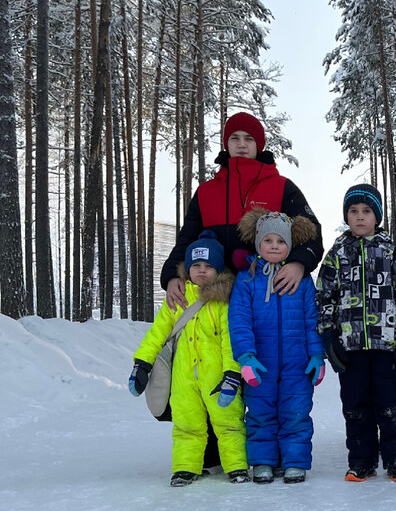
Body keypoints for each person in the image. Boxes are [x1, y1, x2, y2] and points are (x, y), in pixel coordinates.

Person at [160, 111, 324, 309]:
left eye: (249, 139)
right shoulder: (206, 192)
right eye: (234, 138)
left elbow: (311, 232)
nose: (242, 144)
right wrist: (172, 275)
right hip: (216, 302)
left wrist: (299, 264)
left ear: (258, 145)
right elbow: (187, 240)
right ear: (226, 144)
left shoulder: (282, 187)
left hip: (269, 297)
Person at [316, 183, 396, 483]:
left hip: (387, 345)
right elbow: (324, 296)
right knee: (355, 407)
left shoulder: (390, 251)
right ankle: (361, 461)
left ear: (377, 217)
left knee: (390, 406)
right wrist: (328, 337)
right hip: (350, 347)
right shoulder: (337, 253)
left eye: (367, 211)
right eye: (353, 211)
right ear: (346, 216)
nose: (360, 217)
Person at [129, 231, 248, 487]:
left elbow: (231, 341)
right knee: (186, 424)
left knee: (228, 421)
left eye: (208, 266)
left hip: (216, 377)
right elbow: (157, 334)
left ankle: (236, 465)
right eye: (196, 265)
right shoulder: (177, 299)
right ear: (187, 268)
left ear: (218, 269)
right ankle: (185, 467)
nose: (202, 271)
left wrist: (232, 373)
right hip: (184, 379)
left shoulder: (223, 303)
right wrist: (142, 363)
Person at [228, 210, 325, 485]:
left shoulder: (303, 281)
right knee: (260, 413)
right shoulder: (246, 280)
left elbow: (312, 320)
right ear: (258, 244)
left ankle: (294, 461)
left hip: (297, 363)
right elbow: (239, 319)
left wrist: (317, 354)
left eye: (280, 242)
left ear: (290, 246)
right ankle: (263, 461)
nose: (273, 246)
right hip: (261, 362)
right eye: (268, 240)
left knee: (296, 412)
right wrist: (246, 356)